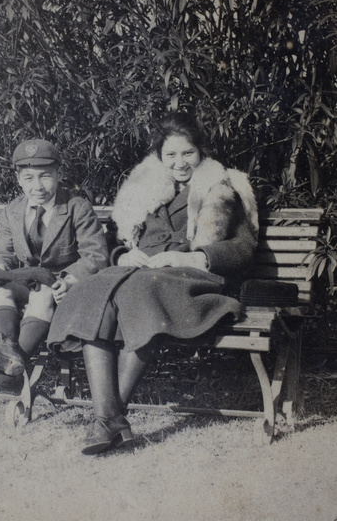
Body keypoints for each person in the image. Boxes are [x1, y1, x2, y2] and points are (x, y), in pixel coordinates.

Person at [47, 111, 258, 455]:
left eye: (187, 153)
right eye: (170, 155)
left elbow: (243, 247)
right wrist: (123, 256)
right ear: (159, 156)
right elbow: (118, 242)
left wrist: (194, 257)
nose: (180, 163)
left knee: (141, 292)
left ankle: (107, 420)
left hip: (191, 281)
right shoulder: (145, 190)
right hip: (140, 275)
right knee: (90, 291)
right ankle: (110, 419)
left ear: (201, 151)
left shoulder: (223, 189)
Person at [0, 138, 109, 393]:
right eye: (29, 178)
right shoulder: (13, 211)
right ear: (19, 179)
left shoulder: (76, 208)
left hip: (60, 288)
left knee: (42, 294)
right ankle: (8, 351)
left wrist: (69, 279)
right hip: (27, 280)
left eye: (45, 176)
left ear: (59, 174)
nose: (38, 186)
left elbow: (96, 256)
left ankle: (9, 370)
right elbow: (2, 251)